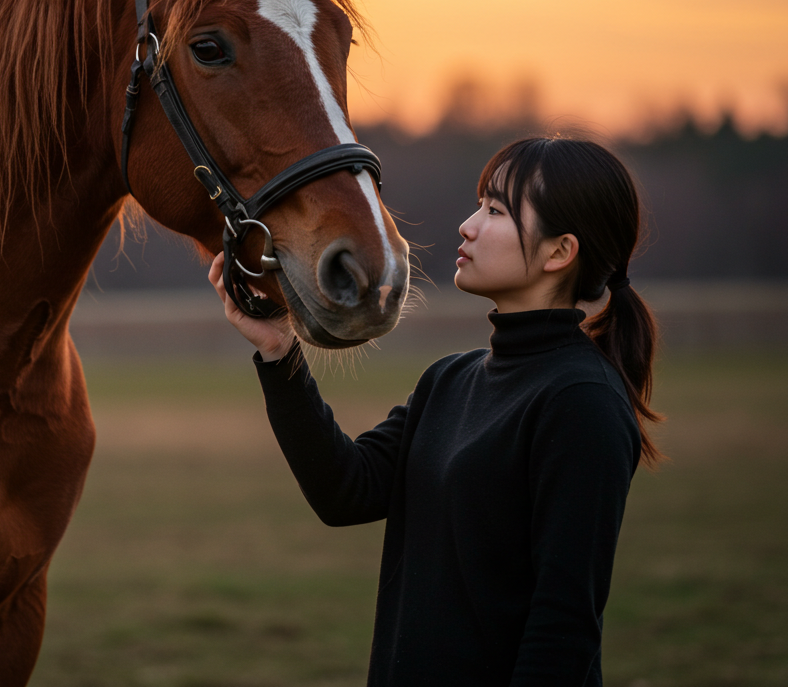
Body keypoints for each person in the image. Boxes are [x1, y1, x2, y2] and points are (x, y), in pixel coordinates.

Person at [208, 136, 663, 686]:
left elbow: (563, 627)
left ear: (559, 252)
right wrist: (280, 351)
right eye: (479, 205)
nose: (468, 226)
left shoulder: (581, 403)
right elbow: (344, 491)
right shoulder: (450, 380)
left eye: (495, 211)